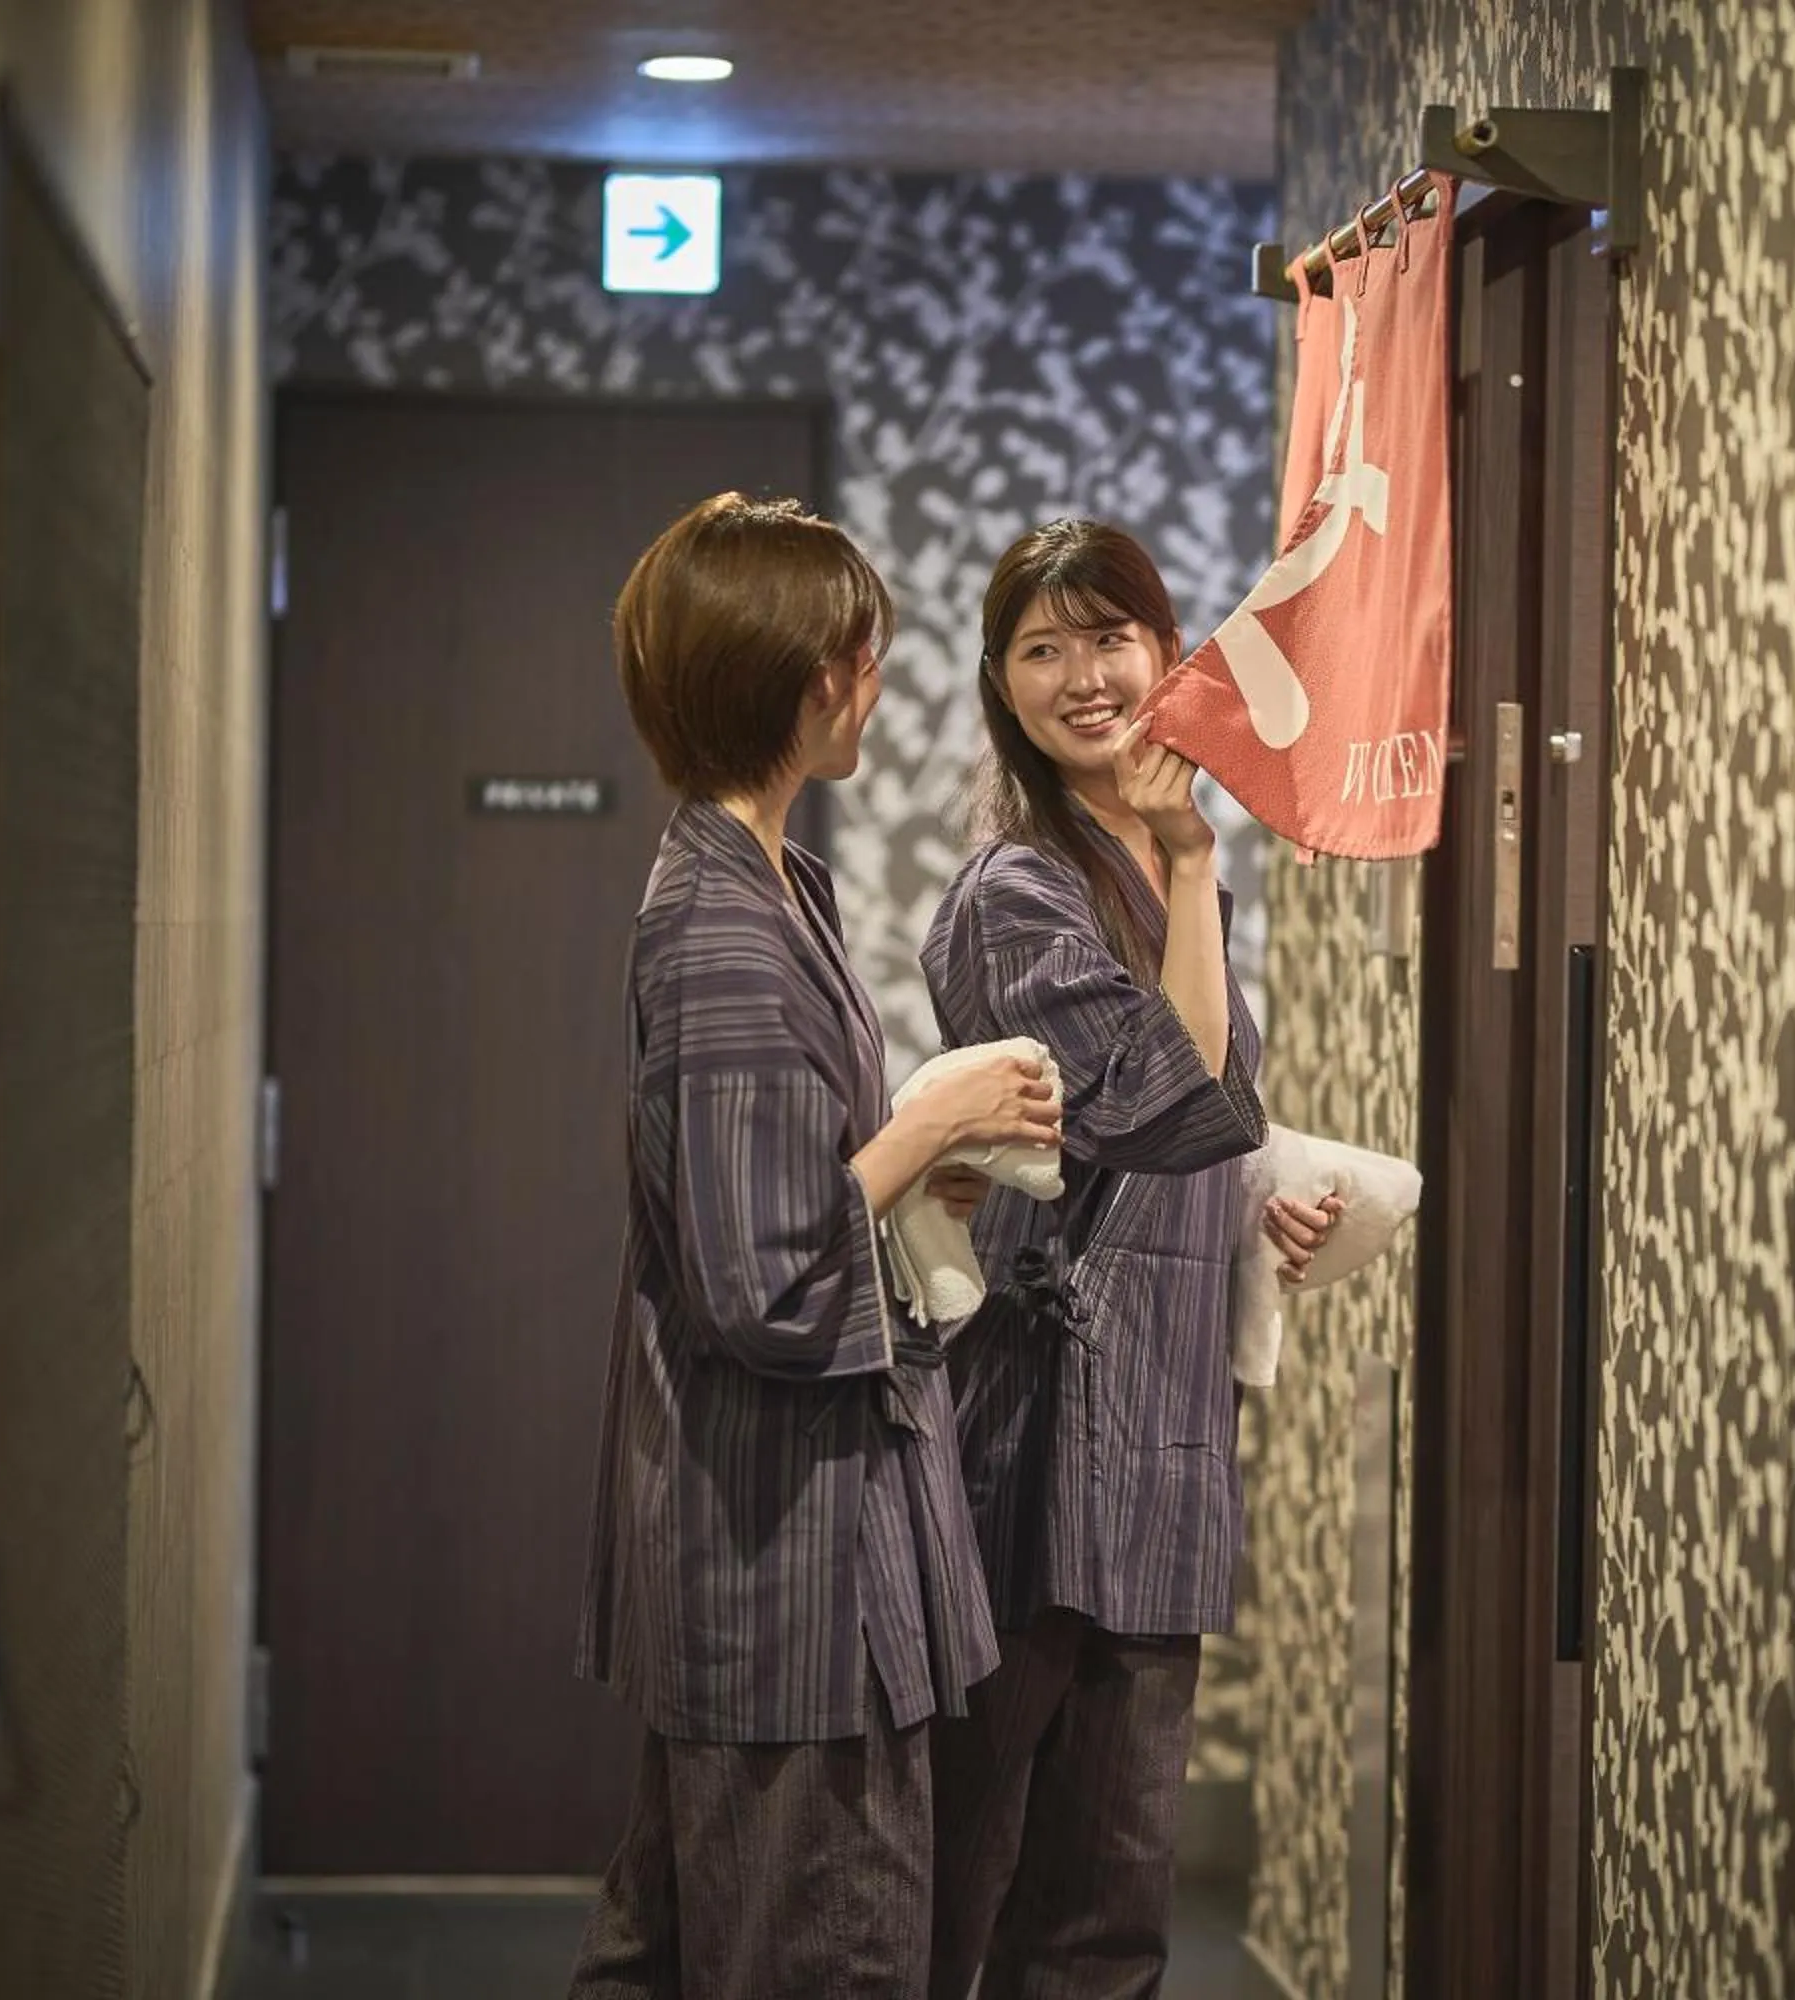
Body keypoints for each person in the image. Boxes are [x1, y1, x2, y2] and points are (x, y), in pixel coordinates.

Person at [568, 492, 1055, 1999]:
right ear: (797, 675)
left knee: (679, 1943)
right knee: (820, 1952)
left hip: (790, 1545)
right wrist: (931, 1119)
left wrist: (913, 1181)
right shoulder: (721, 927)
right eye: (859, 653)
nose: (876, 678)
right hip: (789, 1569)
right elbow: (764, 1280)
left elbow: (781, 1204)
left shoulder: (769, 881)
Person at [920, 518, 1337, 1996]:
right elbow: (1161, 1099)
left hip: (1158, 1446)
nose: (1086, 676)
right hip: (1027, 1444)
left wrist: (1261, 1201)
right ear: (1000, 686)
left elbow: (1214, 1130)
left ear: (1167, 656)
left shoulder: (1165, 875)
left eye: (1113, 638)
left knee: (1107, 1912)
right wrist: (1187, 849)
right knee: (953, 1889)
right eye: (1045, 648)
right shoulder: (1017, 893)